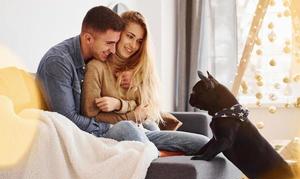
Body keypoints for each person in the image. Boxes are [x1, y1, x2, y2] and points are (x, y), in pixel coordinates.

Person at [81, 11, 209, 155]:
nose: (133, 45)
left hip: (141, 132)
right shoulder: (96, 67)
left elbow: (145, 111)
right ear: (118, 34)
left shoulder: (137, 70)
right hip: (111, 132)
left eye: (139, 41)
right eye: (130, 37)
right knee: (127, 127)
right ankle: (158, 155)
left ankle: (155, 154)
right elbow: (90, 115)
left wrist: (130, 92)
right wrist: (129, 114)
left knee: (203, 143)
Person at [37, 6, 136, 137]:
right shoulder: (58, 62)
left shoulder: (98, 57)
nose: (113, 50)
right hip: (76, 134)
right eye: (109, 43)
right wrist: (109, 125)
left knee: (149, 126)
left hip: (101, 126)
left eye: (115, 43)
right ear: (88, 39)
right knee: (128, 129)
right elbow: (68, 120)